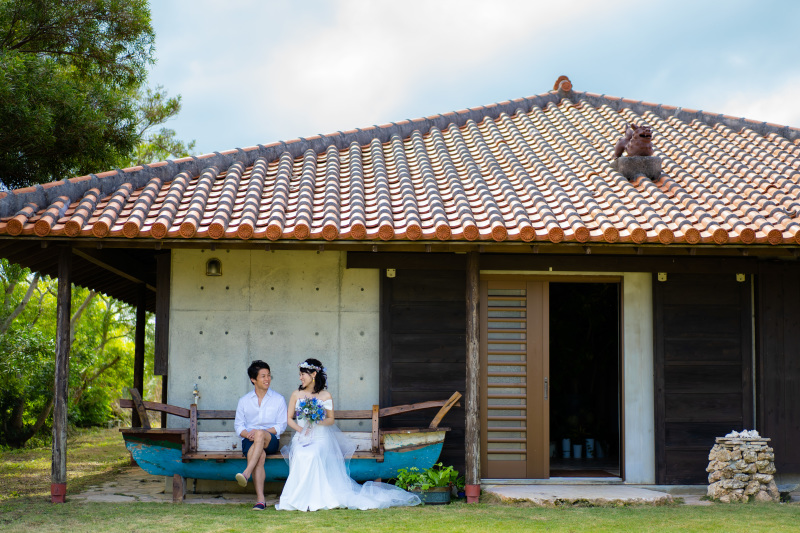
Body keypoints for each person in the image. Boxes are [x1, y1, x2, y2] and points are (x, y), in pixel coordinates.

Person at [275, 358, 421, 511]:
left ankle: (315, 498)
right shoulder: (296, 394)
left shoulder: (325, 396)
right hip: (301, 436)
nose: (300, 378)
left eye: (302, 374)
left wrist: (318, 421)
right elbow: (288, 418)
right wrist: (301, 430)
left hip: (320, 437)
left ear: (313, 374)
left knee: (313, 454)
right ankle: (297, 497)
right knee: (299, 454)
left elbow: (331, 420)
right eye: (299, 375)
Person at [234, 360, 288, 510]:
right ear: (253, 379)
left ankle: (246, 473)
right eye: (263, 376)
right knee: (260, 457)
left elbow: (281, 426)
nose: (267, 379)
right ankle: (260, 500)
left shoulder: (278, 399)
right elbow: (238, 426)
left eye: (269, 376)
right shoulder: (244, 401)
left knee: (259, 434)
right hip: (249, 441)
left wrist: (261, 433)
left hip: (270, 441)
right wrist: (249, 435)